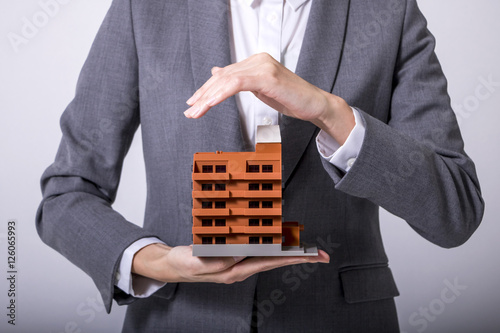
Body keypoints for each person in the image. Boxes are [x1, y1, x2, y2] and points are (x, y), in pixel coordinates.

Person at [36, 0, 484, 332]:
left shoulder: (388, 12)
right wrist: (160, 262)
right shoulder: (147, 8)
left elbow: (456, 212)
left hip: (339, 319)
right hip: (180, 318)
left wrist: (331, 114)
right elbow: (66, 194)